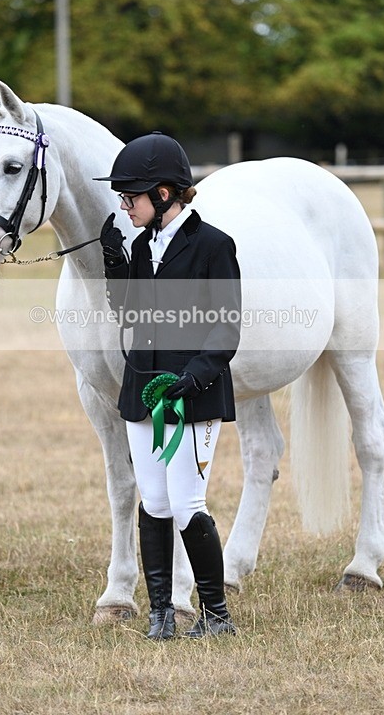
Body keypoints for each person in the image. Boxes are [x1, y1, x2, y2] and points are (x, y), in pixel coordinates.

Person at [94, 132, 241, 640]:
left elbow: (227, 326)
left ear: (162, 194)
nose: (124, 206)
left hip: (192, 393)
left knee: (187, 502)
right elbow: (130, 315)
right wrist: (116, 268)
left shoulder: (215, 246)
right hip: (144, 390)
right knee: (153, 500)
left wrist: (194, 377)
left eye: (129, 197)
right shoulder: (140, 245)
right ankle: (160, 612)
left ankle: (216, 614)